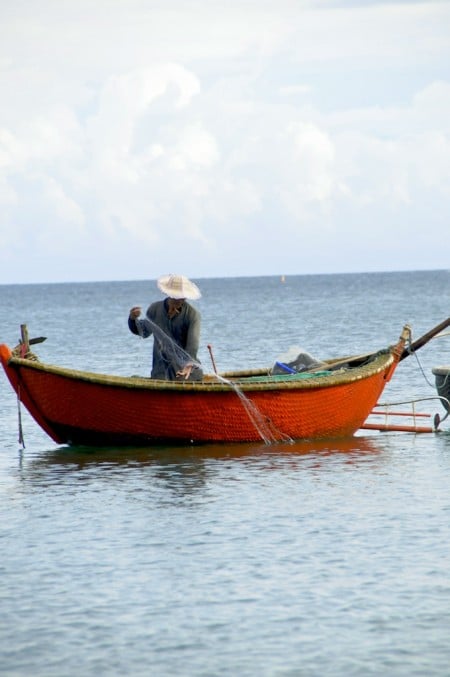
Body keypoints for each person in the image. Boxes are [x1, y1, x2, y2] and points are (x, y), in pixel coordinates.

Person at [128, 274, 203, 381]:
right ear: (168, 294)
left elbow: (193, 344)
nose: (179, 300)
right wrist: (132, 318)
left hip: (185, 374)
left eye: (182, 297)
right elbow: (143, 332)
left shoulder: (192, 315)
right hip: (160, 372)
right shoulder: (155, 309)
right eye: (176, 296)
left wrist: (189, 364)